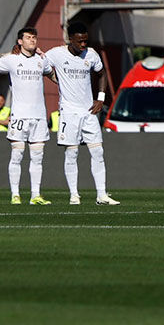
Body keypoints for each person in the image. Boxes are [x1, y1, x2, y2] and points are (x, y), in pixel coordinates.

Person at [47, 20, 117, 205]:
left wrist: (101, 98)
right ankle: (74, 195)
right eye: (80, 41)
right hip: (69, 112)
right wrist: (55, 78)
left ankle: (101, 195)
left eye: (86, 41)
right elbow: (40, 64)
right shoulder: (56, 54)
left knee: (98, 152)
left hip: (89, 112)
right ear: (70, 39)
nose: (84, 44)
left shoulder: (91, 54)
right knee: (72, 153)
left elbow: (101, 74)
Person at [0, 27, 55, 205]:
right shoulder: (11, 60)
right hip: (19, 116)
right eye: (28, 38)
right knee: (17, 156)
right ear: (20, 42)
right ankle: (15, 194)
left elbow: (53, 75)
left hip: (39, 116)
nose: (32, 40)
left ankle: (35, 195)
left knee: (37, 157)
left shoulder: (41, 61)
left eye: (34, 37)